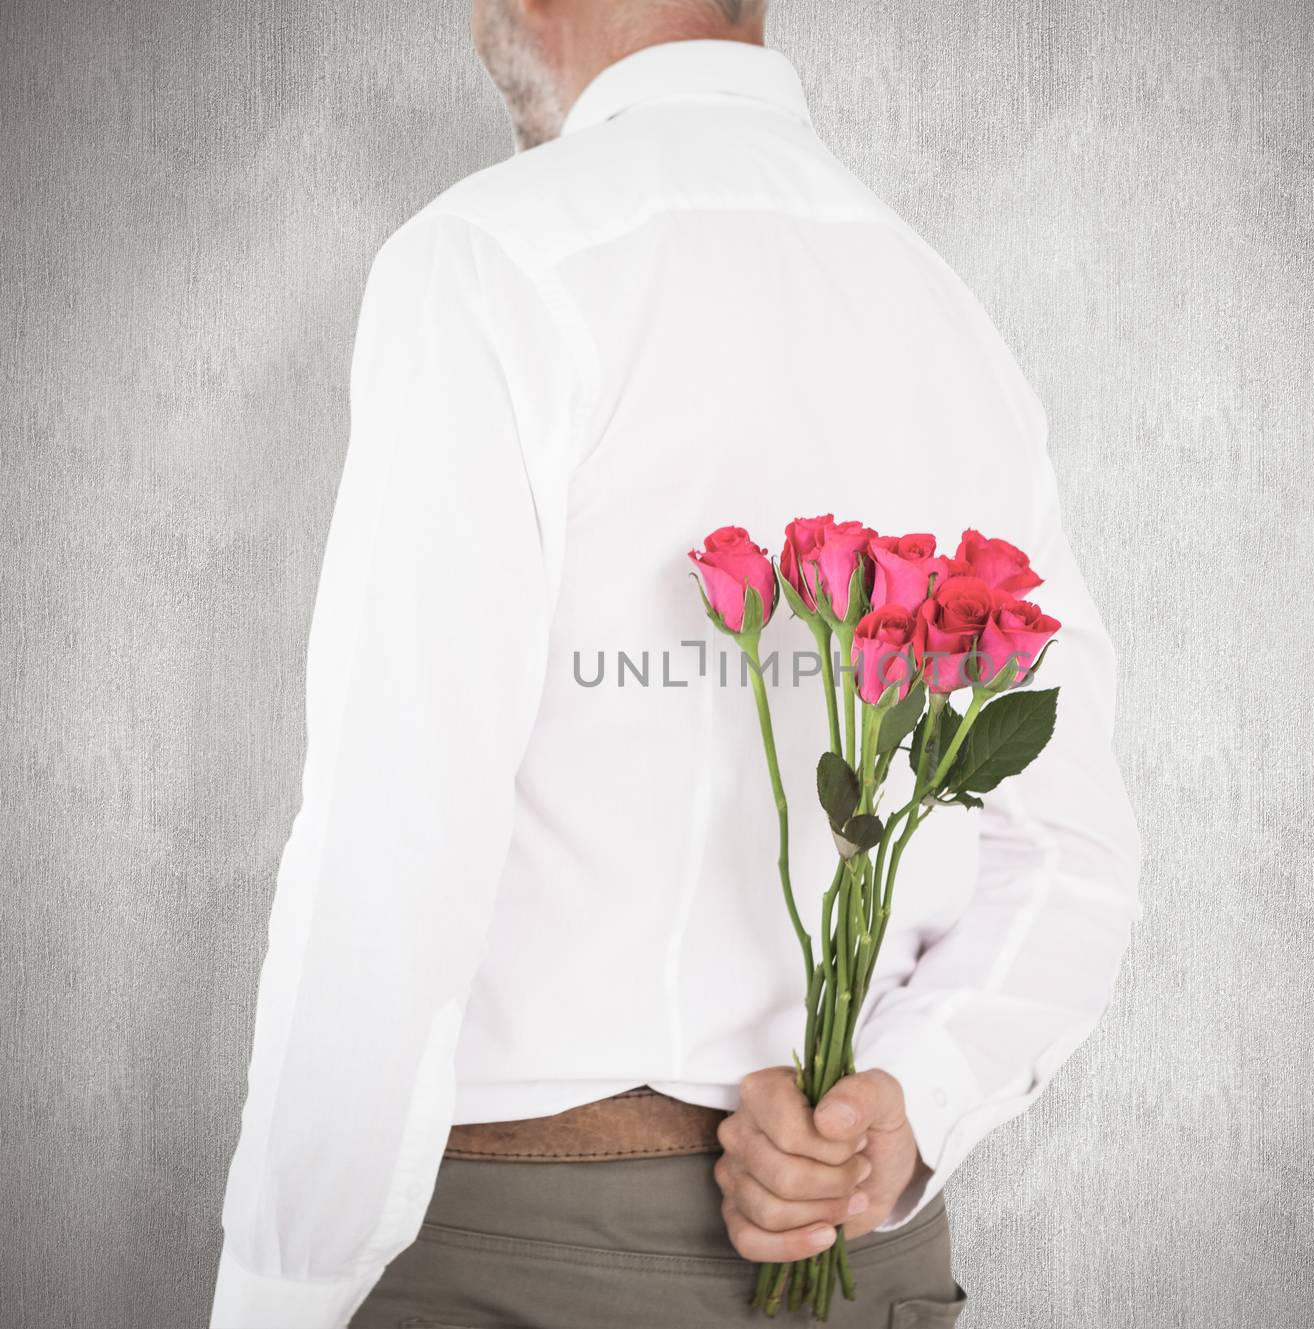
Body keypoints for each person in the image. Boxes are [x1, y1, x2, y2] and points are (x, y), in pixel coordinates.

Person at [208, 1, 1143, 1325]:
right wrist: (906, 1108)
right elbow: (1071, 855)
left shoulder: (488, 261)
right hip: (859, 1270)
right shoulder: (948, 313)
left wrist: (275, 1296)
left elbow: (393, 846)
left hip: (519, 1264)